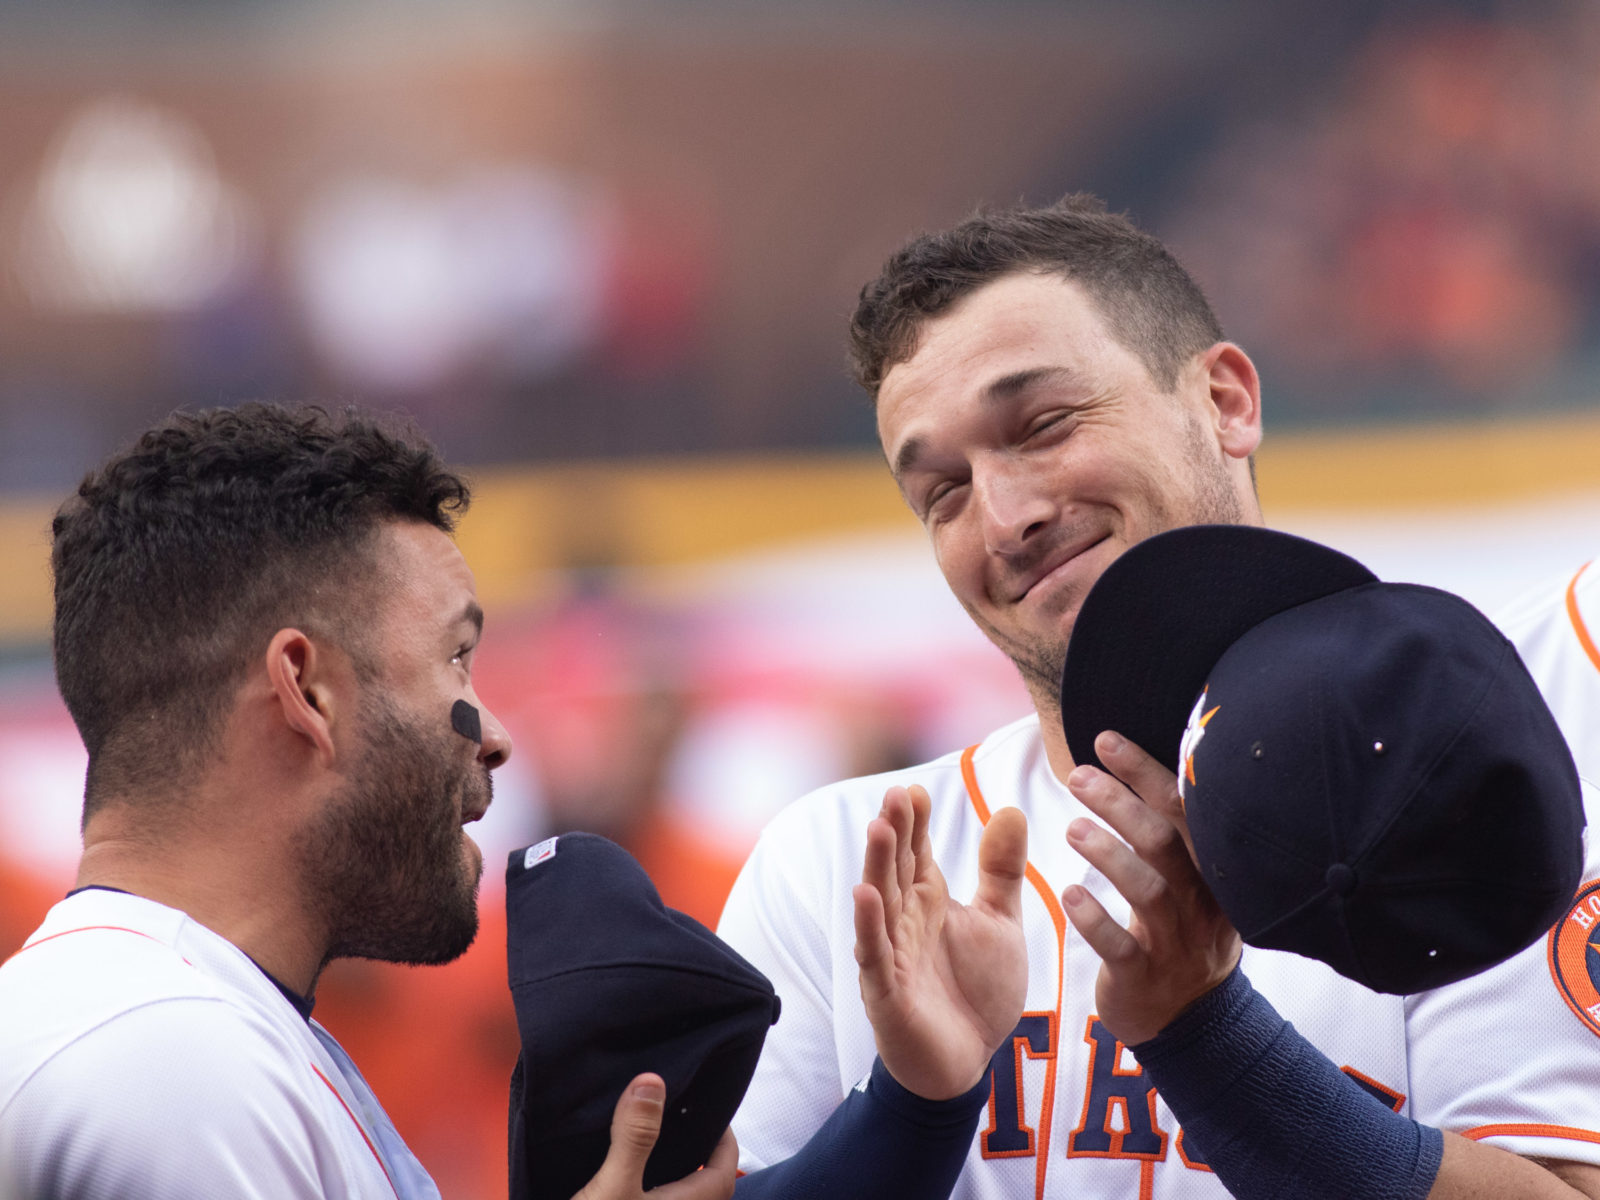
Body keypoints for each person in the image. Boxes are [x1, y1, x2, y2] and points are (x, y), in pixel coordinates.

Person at [717, 196, 1600, 1198]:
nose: (1004, 518)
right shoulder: (849, 863)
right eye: (944, 492)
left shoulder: (1464, 762)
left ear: (1224, 401)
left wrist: (1205, 1033)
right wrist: (911, 1107)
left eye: (1043, 425)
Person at [0, 405, 740, 1200]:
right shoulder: (172, 1051)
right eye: (455, 658)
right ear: (308, 691)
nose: (494, 735)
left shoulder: (181, 1015)